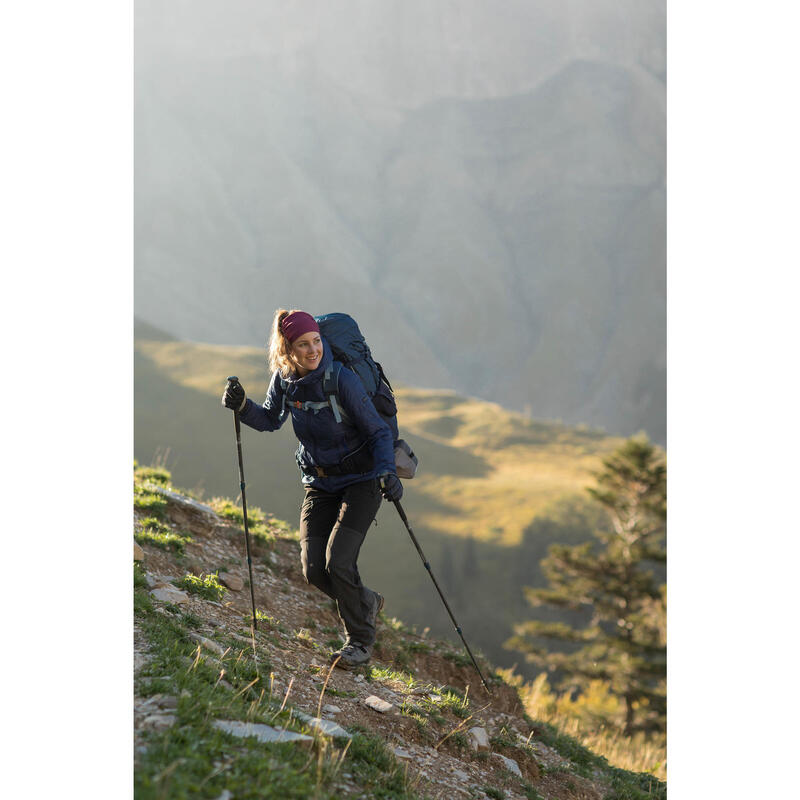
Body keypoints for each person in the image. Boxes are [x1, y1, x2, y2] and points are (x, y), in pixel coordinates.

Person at [221, 309, 403, 669]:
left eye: (316, 341)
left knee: (339, 561)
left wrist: (387, 472)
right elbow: (270, 420)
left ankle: (360, 642)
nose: (313, 350)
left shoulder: (341, 379)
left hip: (363, 478)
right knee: (313, 570)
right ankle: (365, 601)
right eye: (303, 345)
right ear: (288, 350)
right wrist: (242, 405)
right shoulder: (285, 380)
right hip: (320, 482)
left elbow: (378, 431)